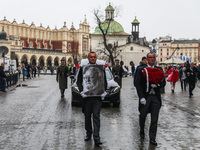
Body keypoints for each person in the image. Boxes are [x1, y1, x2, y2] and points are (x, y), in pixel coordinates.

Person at [134, 52, 166, 146]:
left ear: (155, 59)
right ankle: (141, 130)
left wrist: (158, 84)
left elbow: (163, 83)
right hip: (146, 96)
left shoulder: (159, 69)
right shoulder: (141, 69)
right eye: (150, 57)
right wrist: (141, 97)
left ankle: (152, 138)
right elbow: (137, 83)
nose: (152, 59)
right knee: (143, 115)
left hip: (155, 97)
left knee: (154, 119)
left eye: (153, 57)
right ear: (147, 59)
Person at [77, 51, 107, 147]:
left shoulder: (100, 69)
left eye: (94, 57)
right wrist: (82, 91)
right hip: (87, 98)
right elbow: (78, 82)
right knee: (87, 117)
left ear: (96, 58)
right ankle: (88, 133)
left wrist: (104, 91)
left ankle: (97, 138)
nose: (93, 58)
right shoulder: (83, 68)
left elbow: (104, 81)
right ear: (88, 58)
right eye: (91, 57)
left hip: (97, 98)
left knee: (96, 117)